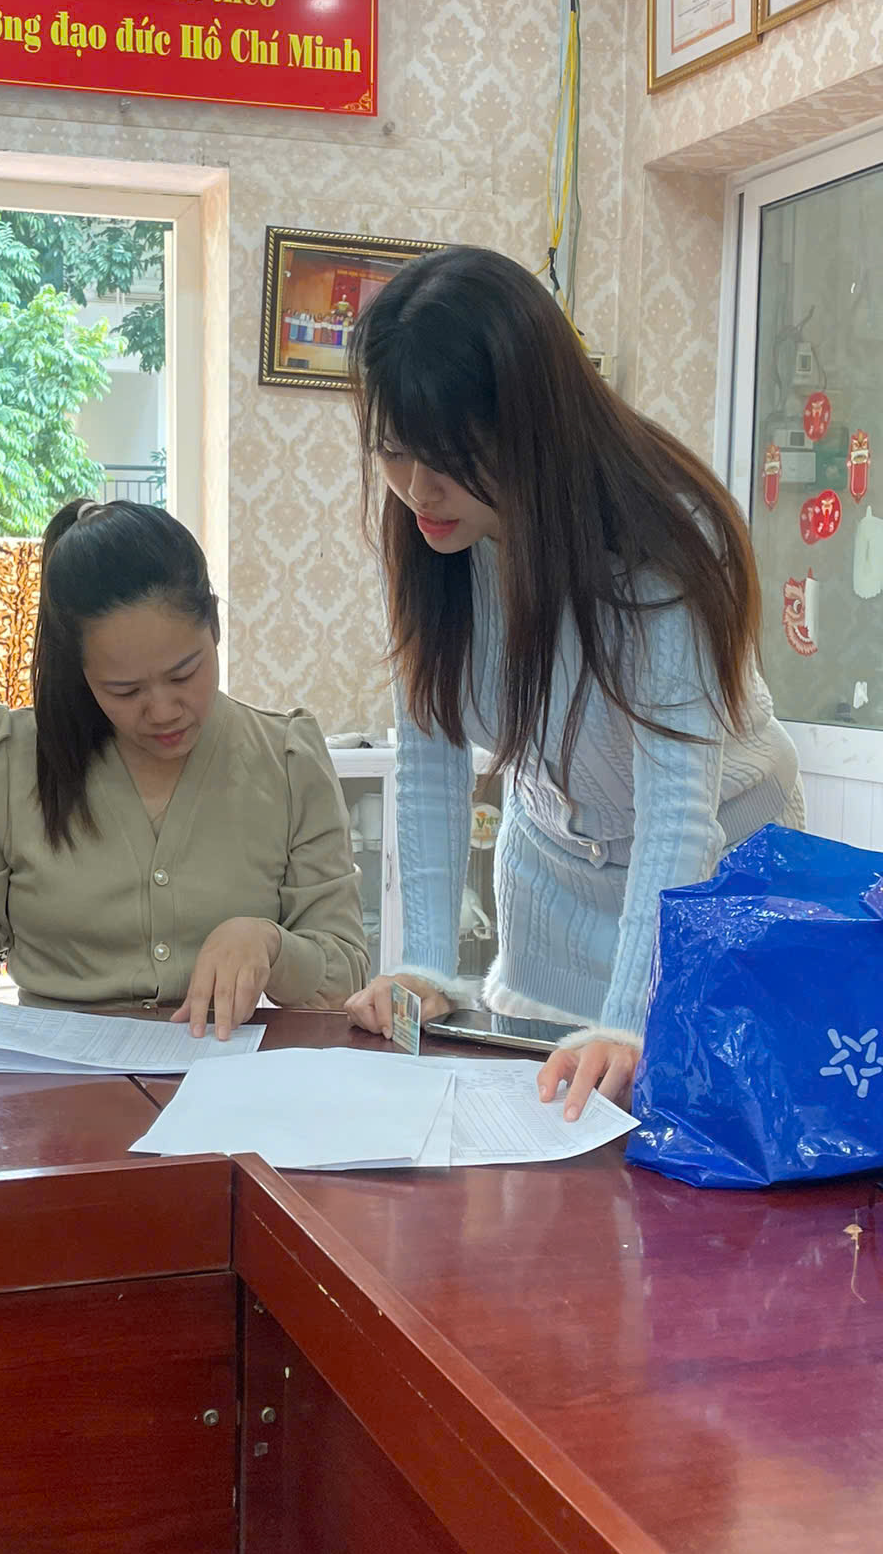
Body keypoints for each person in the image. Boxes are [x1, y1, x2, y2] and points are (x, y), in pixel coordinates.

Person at [342, 246, 801, 1116]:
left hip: (715, 871)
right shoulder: (431, 535)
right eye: (394, 453)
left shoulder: (663, 537)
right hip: (553, 878)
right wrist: (425, 967)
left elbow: (678, 809)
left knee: (698, 1121)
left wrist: (628, 1019)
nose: (417, 491)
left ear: (529, 424)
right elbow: (430, 759)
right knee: (544, 1128)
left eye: (450, 457)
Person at [0, 498, 367, 1038]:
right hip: (52, 1073)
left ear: (214, 623)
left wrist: (270, 945)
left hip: (224, 1068)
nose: (162, 711)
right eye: (125, 690)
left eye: (184, 674)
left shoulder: (287, 758)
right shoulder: (11, 755)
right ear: (81, 670)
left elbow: (344, 967)